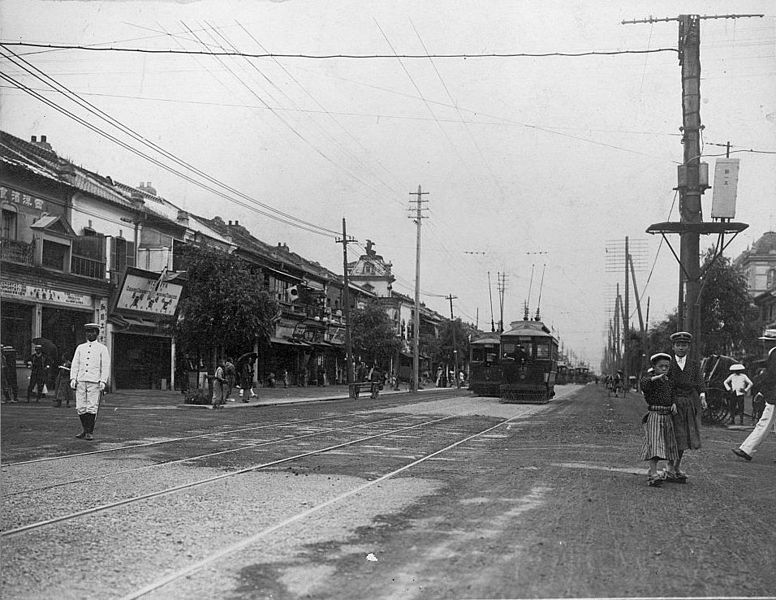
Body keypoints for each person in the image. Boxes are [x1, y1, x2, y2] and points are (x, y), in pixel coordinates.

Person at [664, 331, 707, 483]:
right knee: (674, 436)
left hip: (688, 403)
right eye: (678, 345)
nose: (681, 348)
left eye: (684, 345)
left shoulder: (694, 364)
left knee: (685, 437)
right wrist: (671, 402)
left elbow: (700, 382)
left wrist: (702, 396)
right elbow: (666, 384)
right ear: (673, 347)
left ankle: (676, 466)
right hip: (673, 404)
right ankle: (669, 466)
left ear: (688, 347)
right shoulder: (668, 364)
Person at [639, 353, 679, 486]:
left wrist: (673, 403)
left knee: (669, 445)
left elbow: (673, 394)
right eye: (660, 366)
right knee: (654, 444)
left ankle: (665, 470)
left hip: (667, 416)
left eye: (666, 366)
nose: (664, 369)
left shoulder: (669, 381)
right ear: (654, 367)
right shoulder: (650, 380)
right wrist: (656, 378)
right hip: (655, 415)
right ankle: (654, 473)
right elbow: (644, 384)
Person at [732, 347, 776, 462]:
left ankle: (747, 450)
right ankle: (747, 449)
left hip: (773, 396)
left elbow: (771, 375)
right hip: (772, 394)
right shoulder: (773, 352)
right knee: (765, 423)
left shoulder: (774, 352)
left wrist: (762, 391)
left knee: (764, 423)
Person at [70, 323, 110, 440]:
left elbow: (105, 366)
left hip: (94, 381)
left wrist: (103, 380)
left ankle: (89, 431)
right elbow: (75, 364)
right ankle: (84, 429)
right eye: (88, 331)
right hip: (81, 380)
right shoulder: (80, 348)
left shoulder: (102, 348)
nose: (90, 334)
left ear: (97, 334)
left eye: (92, 332)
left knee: (91, 407)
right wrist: (73, 378)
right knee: (80, 407)